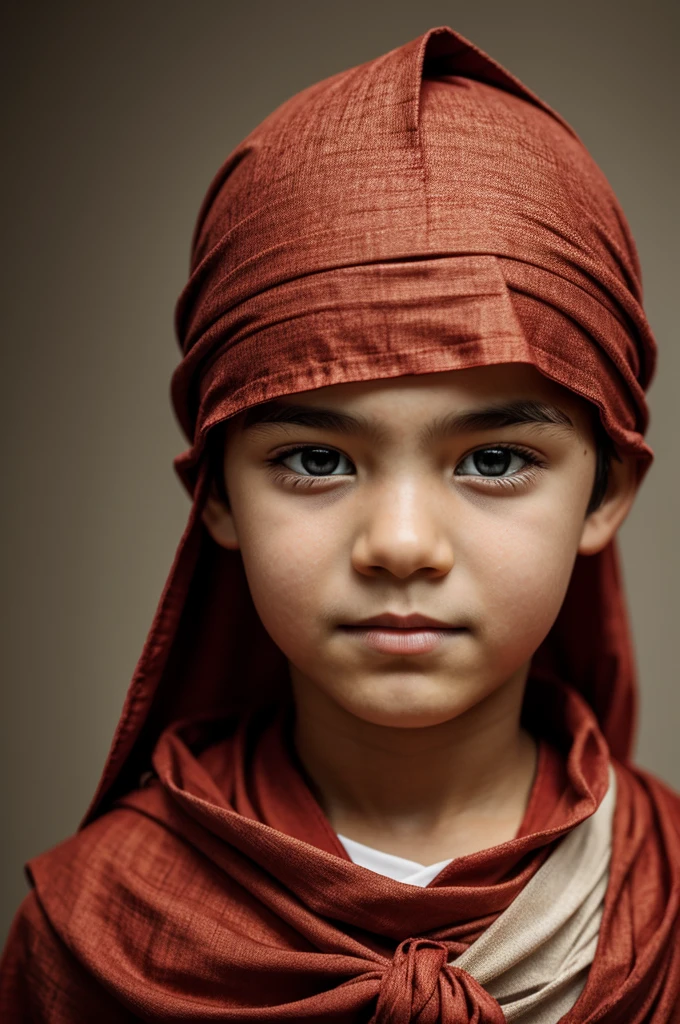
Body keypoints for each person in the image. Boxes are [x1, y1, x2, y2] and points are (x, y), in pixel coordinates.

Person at [1, 23, 678, 1023]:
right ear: (218, 495)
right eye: (315, 460)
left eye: (493, 460)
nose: (400, 544)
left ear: (605, 489)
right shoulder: (93, 929)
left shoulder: (667, 911)